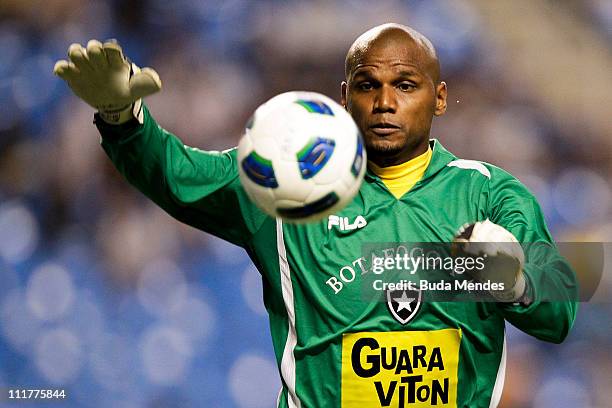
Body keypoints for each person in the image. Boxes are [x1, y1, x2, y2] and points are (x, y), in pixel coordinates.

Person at [54, 23, 577, 408]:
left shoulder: (489, 194)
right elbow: (175, 174)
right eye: (369, 86)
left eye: (407, 85)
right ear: (345, 98)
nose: (386, 102)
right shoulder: (287, 188)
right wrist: (122, 118)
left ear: (440, 98)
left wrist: (510, 278)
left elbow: (558, 314)